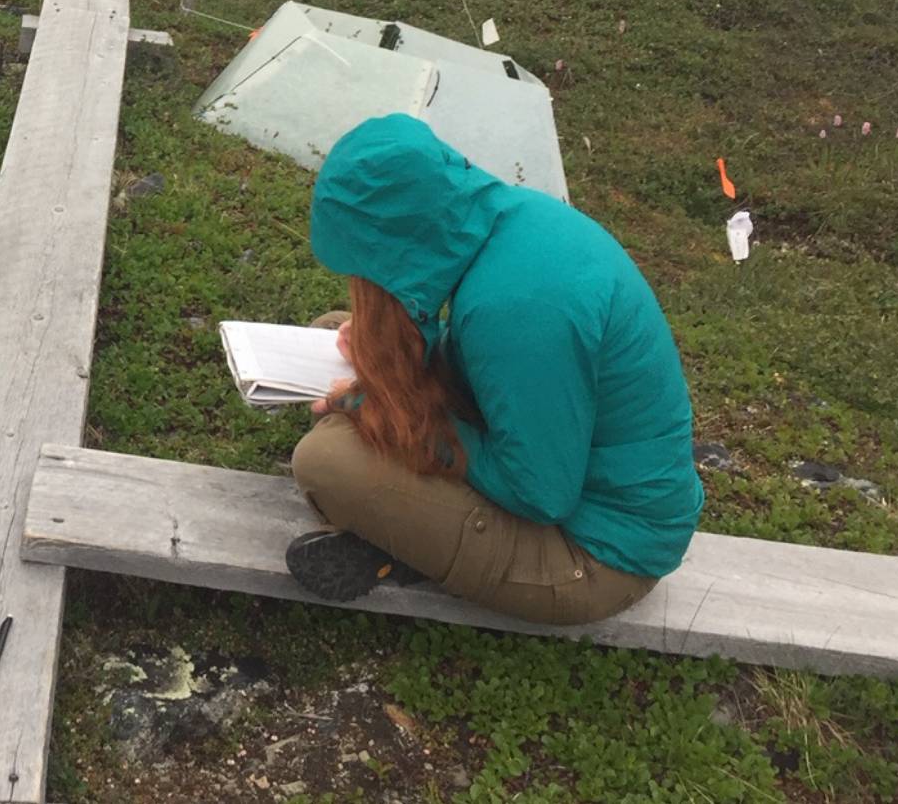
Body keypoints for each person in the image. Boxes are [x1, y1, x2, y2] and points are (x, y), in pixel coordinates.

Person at [285, 114, 702, 626]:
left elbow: (540, 494)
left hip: (593, 557)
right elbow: (488, 366)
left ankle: (401, 543)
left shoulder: (514, 309)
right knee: (340, 332)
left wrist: (381, 412)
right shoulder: (508, 218)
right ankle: (404, 530)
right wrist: (397, 356)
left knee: (327, 461)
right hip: (565, 471)